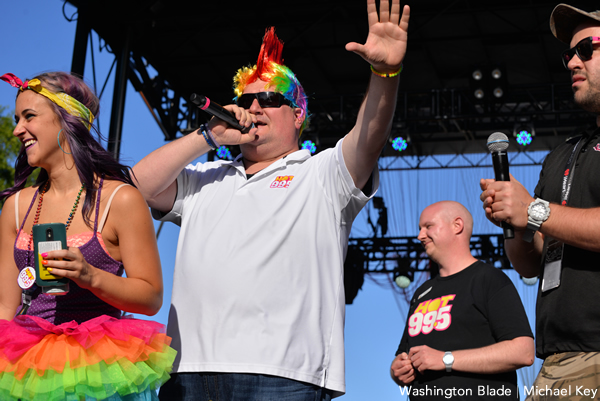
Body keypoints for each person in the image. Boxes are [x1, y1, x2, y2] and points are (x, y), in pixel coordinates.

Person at [131, 0, 409, 398]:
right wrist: (206, 137)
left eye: (269, 99)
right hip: (189, 372)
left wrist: (385, 73)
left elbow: (371, 134)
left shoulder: (322, 173)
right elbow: (137, 187)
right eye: (246, 102)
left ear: (298, 114)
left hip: (283, 375)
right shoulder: (204, 179)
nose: (255, 107)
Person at [0, 72, 175, 401]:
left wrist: (89, 275)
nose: (17, 130)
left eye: (29, 116)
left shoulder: (120, 199)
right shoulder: (16, 206)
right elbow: (5, 306)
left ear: (68, 120)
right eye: (16, 118)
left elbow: (151, 297)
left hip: (97, 370)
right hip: (24, 370)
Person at [479, 4, 600, 398]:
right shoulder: (562, 154)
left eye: (586, 49)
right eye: (568, 54)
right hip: (559, 357)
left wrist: (533, 209)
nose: (571, 62)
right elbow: (530, 263)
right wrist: (512, 220)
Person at [390, 201, 534, 400]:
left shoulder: (489, 279)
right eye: (420, 228)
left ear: (457, 225)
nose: (420, 236)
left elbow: (523, 351)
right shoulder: (421, 293)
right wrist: (398, 369)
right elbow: (403, 355)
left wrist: (445, 359)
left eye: (428, 226)